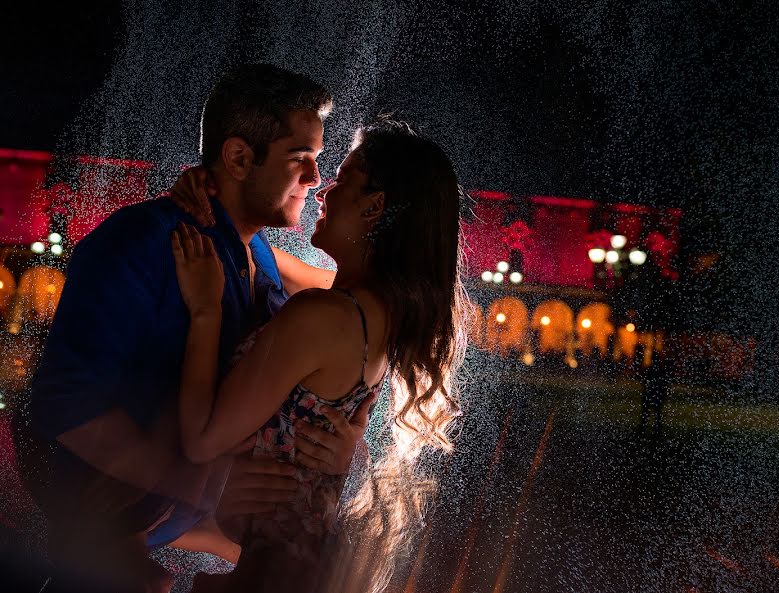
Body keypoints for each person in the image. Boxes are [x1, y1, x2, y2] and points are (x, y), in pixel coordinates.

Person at [15, 64, 369, 593]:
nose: (316, 180)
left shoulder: (260, 259)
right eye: (302, 160)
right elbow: (64, 404)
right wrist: (206, 485)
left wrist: (344, 451)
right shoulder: (143, 244)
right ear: (239, 158)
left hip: (154, 543)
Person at [170, 118, 468, 593]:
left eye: (343, 181)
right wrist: (219, 202)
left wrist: (206, 312)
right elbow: (257, 253)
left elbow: (203, 439)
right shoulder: (376, 314)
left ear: (374, 207)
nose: (324, 191)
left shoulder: (322, 317)